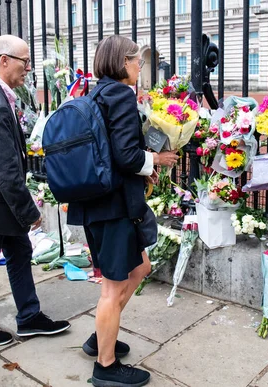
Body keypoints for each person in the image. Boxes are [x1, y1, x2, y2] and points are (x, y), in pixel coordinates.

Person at [66, 35, 178, 387]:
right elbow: (126, 156)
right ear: (122, 62)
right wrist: (158, 158)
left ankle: (100, 338)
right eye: (136, 60)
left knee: (140, 267)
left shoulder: (98, 93)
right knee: (112, 290)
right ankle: (106, 366)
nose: (139, 66)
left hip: (100, 204)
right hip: (113, 208)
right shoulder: (120, 96)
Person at [0, 35, 70, 347]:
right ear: (4, 60)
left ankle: (29, 317)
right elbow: (5, 172)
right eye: (25, 62)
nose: (29, 69)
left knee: (20, 252)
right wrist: (29, 212)